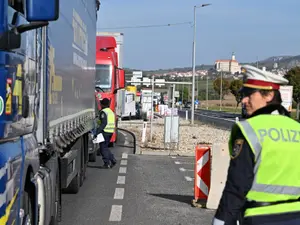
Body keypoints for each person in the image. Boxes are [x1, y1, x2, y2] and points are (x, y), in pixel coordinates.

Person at [211, 65, 300, 225]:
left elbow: (237, 184)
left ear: (269, 95)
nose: (244, 100)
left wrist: (221, 220)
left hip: (260, 217)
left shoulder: (249, 130)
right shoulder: (297, 129)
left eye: (248, 94)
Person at [96, 98, 117, 168]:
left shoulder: (103, 112)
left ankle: (106, 163)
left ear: (102, 104)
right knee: (105, 147)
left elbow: (103, 123)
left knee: (103, 148)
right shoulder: (110, 111)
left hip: (104, 132)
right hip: (110, 132)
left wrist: (97, 131)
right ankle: (112, 159)